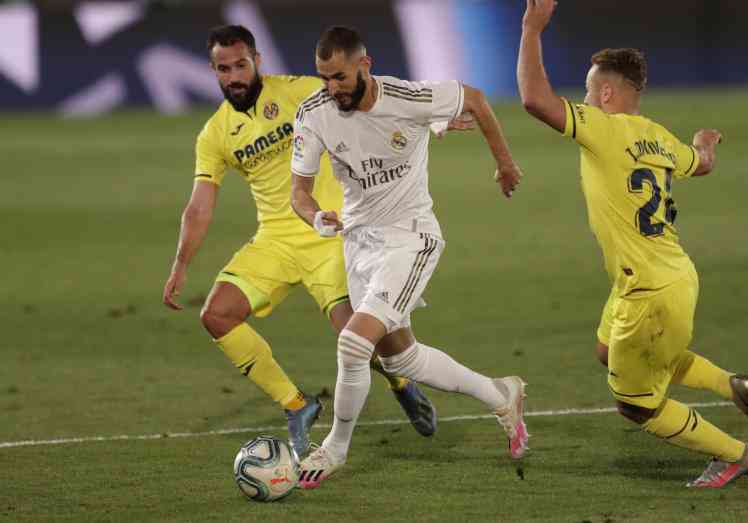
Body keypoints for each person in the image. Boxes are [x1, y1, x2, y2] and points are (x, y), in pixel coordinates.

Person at [516, 0, 748, 488]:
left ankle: (738, 455)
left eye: (591, 92)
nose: (586, 100)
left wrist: (531, 30)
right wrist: (704, 142)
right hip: (669, 274)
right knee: (606, 350)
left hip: (649, 293)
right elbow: (700, 165)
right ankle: (733, 384)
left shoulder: (603, 129)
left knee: (635, 405)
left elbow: (533, 98)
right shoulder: (658, 136)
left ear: (608, 94)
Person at [162, 24, 441, 458]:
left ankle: (401, 381)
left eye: (241, 64)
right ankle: (297, 405)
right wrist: (181, 264)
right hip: (276, 239)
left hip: (330, 232)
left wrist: (433, 120)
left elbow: (371, 103)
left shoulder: (303, 93)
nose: (234, 75)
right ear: (213, 70)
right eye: (224, 68)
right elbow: (199, 207)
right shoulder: (214, 134)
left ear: (257, 59)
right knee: (216, 314)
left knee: (361, 339)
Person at [290, 25, 528, 489]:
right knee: (400, 359)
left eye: (339, 77)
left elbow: (476, 99)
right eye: (323, 78)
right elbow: (298, 191)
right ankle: (501, 394)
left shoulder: (407, 96)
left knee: (353, 344)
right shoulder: (314, 114)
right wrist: (315, 217)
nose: (331, 88)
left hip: (411, 238)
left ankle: (335, 449)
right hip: (360, 244)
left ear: (365, 65)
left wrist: (505, 163)